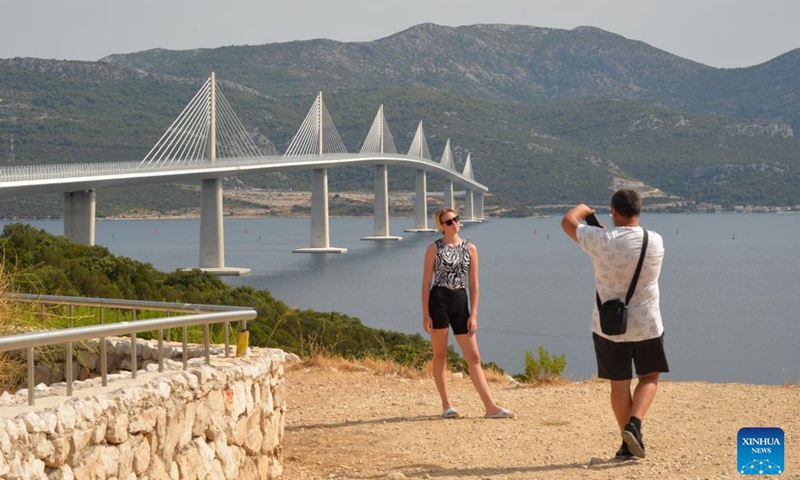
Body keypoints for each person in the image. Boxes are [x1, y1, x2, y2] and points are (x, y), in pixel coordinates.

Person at [560, 189, 668, 460]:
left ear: (614, 211)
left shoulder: (601, 240)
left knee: (619, 384)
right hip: (647, 323)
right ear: (639, 211)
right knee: (649, 376)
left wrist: (584, 208)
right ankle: (635, 425)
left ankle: (627, 443)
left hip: (608, 326)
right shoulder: (654, 240)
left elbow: (567, 222)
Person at [421, 207, 514, 419]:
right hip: (439, 301)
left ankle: (490, 407)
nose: (454, 223)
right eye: (449, 222)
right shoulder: (433, 249)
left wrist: (474, 314)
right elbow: (426, 283)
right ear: (441, 227)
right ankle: (446, 405)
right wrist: (426, 314)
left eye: (456, 219)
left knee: (474, 357)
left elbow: (474, 283)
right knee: (440, 355)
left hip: (461, 301)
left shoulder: (470, 248)